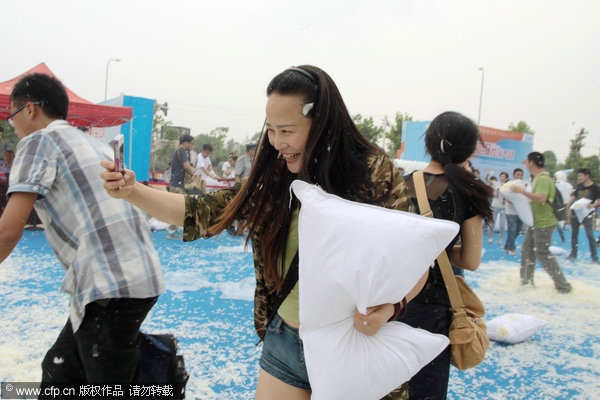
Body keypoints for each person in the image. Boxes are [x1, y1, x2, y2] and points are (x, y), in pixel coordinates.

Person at [101, 65, 426, 400]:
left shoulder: (372, 172)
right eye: (270, 130)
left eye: (287, 130)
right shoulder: (273, 176)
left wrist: (391, 308)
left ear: (322, 123)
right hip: (286, 341)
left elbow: (417, 260)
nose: (277, 143)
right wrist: (132, 191)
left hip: (355, 346)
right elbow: (205, 213)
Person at [0, 73, 164, 386]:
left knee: (106, 384)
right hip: (138, 276)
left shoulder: (37, 141)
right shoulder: (96, 145)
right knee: (60, 371)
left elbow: (8, 231)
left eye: (12, 117)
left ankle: (164, 375)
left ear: (30, 109)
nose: (13, 126)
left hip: (108, 287)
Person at [397, 111, 492, 400]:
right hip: (433, 309)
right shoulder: (467, 192)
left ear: (427, 143)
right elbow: (471, 261)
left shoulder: (400, 185)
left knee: (387, 385)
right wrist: (444, 250)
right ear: (468, 150)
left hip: (390, 303)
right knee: (426, 390)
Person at [510, 152, 572, 293]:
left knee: (542, 253)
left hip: (544, 222)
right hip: (536, 221)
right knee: (527, 250)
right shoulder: (538, 178)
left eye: (527, 162)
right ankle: (526, 281)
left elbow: (542, 198)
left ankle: (563, 286)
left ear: (532, 162)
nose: (525, 165)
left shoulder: (543, 179)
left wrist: (521, 192)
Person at [566, 168, 600, 263]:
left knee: (590, 235)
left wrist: (593, 205)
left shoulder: (595, 187)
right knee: (574, 234)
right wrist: (568, 206)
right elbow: (574, 196)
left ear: (587, 176)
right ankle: (573, 253)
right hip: (576, 212)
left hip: (587, 214)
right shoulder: (579, 186)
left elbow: (599, 200)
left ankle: (594, 256)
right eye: (578, 176)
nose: (579, 178)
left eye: (580, 176)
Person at [167, 134, 196, 239]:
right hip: (178, 185)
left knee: (179, 208)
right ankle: (172, 231)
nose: (191, 146)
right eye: (191, 143)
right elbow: (187, 166)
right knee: (180, 208)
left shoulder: (177, 151)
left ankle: (173, 229)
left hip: (175, 183)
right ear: (186, 142)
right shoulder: (182, 151)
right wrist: (194, 173)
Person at [504, 168, 525, 255]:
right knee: (512, 230)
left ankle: (506, 246)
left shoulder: (525, 185)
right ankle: (512, 248)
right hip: (510, 212)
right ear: (513, 175)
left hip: (521, 212)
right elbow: (506, 198)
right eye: (517, 175)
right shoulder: (509, 185)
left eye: (521, 175)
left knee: (518, 230)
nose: (519, 177)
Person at [485, 172, 508, 245]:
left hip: (503, 207)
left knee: (502, 224)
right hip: (494, 206)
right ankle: (490, 238)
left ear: (506, 178)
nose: (502, 177)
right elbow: (487, 180)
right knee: (491, 223)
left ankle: (500, 240)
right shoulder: (496, 183)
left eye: (504, 176)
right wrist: (488, 173)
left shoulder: (507, 186)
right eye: (501, 176)